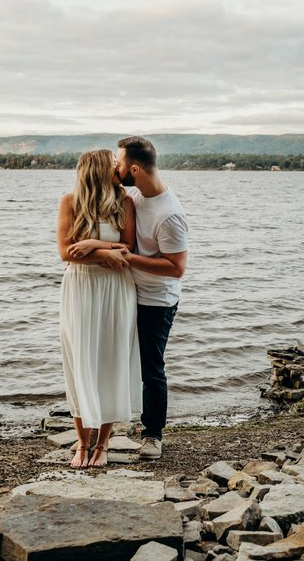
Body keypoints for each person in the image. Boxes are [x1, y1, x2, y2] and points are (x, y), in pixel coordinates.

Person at [56, 149, 141, 468]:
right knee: (80, 363)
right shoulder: (70, 202)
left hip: (115, 287)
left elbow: (128, 248)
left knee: (111, 361)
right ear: (99, 169)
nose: (119, 168)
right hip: (80, 287)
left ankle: (103, 444)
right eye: (113, 164)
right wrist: (106, 251)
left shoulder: (125, 202)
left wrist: (94, 245)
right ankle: (81, 443)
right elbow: (66, 252)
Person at [114, 136, 188, 460]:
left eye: (118, 163)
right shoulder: (135, 195)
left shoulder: (170, 214)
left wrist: (129, 259)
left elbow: (176, 268)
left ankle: (153, 435)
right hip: (132, 292)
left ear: (133, 168)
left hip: (158, 300)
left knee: (152, 367)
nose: (116, 168)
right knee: (129, 362)